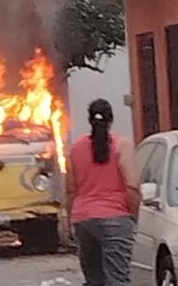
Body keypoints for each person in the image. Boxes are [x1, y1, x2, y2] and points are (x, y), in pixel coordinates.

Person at [66, 99, 141, 286]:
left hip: (83, 219)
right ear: (111, 120)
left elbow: (70, 190)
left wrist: (70, 220)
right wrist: (133, 215)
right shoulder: (122, 146)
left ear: (90, 120)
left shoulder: (75, 149)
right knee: (118, 279)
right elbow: (132, 186)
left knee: (93, 280)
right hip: (115, 217)